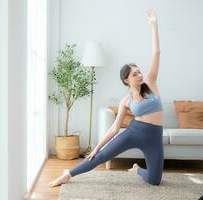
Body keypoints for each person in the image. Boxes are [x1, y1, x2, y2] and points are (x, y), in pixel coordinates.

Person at [49, 9, 164, 187]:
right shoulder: (126, 101)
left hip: (154, 137)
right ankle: (68, 175)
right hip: (135, 133)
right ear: (127, 80)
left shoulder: (151, 82)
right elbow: (114, 128)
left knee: (155, 180)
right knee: (101, 156)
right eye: (135, 74)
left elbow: (156, 52)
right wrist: (97, 147)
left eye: (139, 71)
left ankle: (137, 169)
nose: (140, 75)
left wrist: (154, 25)